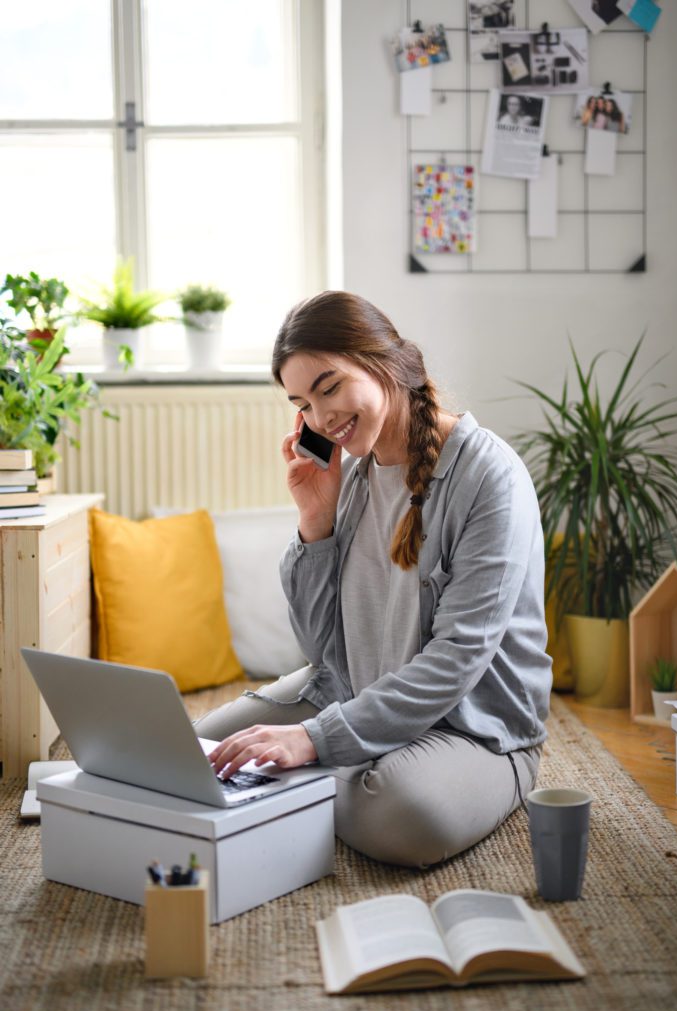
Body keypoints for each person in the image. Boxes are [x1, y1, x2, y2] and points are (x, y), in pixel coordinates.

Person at [194, 291, 552, 868]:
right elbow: (322, 650)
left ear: (386, 363)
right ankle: (296, 782)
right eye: (303, 403)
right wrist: (316, 522)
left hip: (472, 728)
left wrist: (311, 740)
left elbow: (457, 659)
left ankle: (280, 792)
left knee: (394, 811)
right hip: (356, 692)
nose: (320, 417)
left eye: (330, 387)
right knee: (201, 753)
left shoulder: (490, 477)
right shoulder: (354, 479)